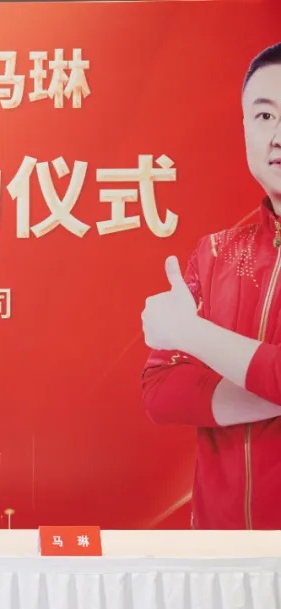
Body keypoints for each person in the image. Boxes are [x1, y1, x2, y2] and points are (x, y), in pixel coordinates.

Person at [141, 41, 281, 530]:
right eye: (265, 116)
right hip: (220, 550)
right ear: (245, 128)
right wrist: (270, 395)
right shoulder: (216, 252)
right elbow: (159, 390)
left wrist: (191, 334)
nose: (278, 136)